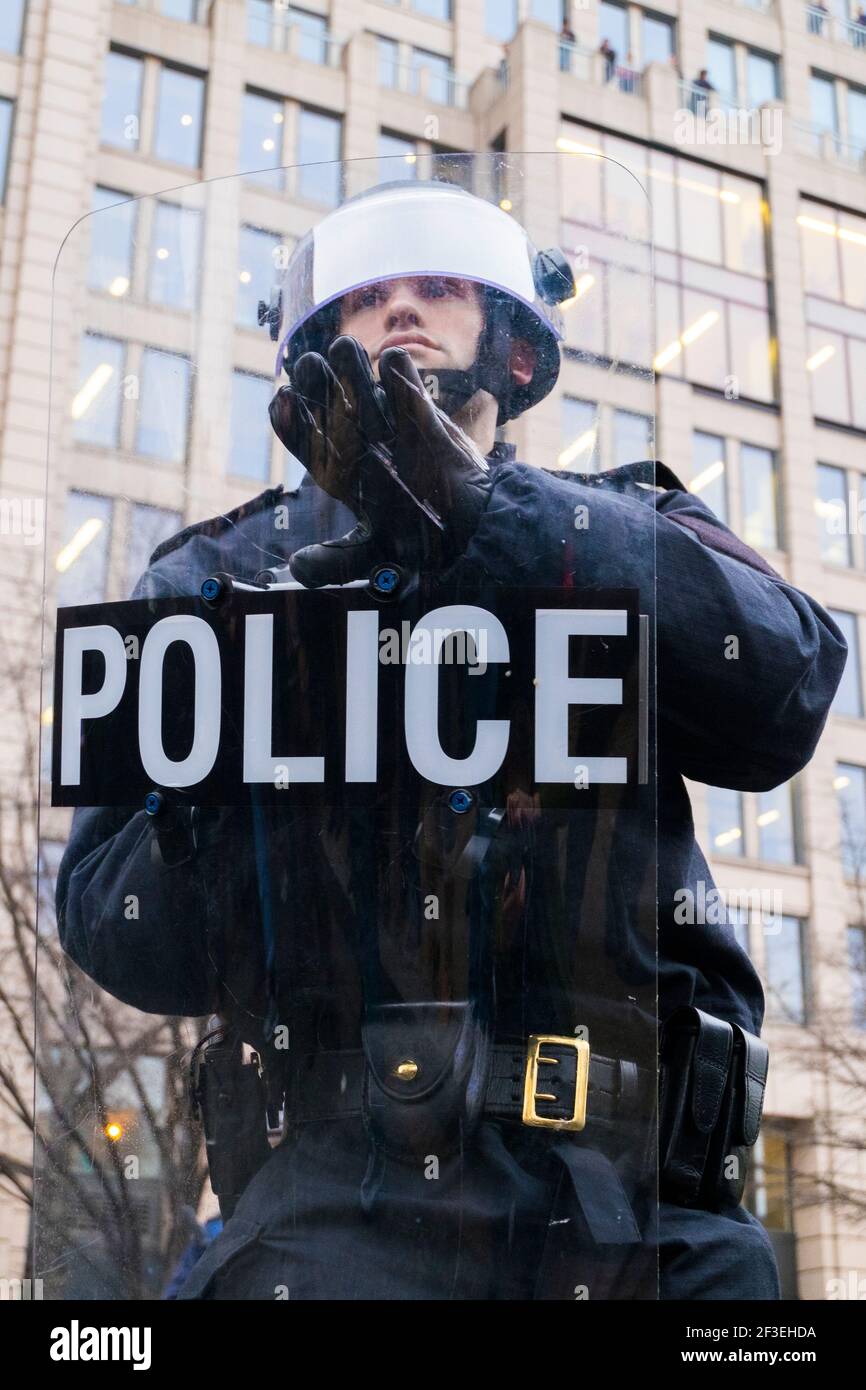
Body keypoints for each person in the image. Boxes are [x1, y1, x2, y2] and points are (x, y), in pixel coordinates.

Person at [56, 180, 846, 1301]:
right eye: (368, 297)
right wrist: (245, 743)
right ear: (317, 349)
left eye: (438, 289)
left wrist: (493, 526)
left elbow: (786, 686)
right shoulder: (215, 582)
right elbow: (114, 930)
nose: (403, 312)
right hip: (332, 1208)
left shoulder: (624, 526)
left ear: (514, 352)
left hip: (643, 1211)